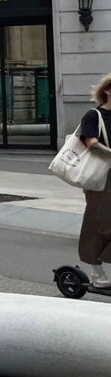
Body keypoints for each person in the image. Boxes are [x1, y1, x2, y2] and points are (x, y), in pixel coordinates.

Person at [76, 74, 111, 287]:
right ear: (107, 90)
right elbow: (92, 144)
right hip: (102, 179)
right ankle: (96, 271)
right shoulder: (94, 116)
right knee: (98, 224)